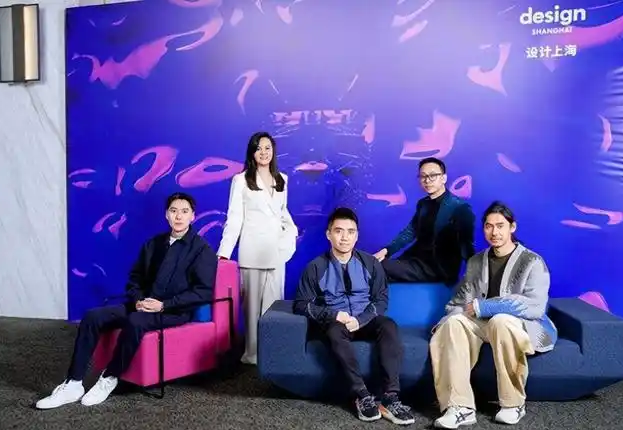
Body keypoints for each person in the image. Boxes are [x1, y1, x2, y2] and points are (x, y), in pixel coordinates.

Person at [36, 192, 218, 409]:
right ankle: (73, 383)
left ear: (193, 216)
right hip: (141, 304)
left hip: (172, 311)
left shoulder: (202, 250)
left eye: (184, 211)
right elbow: (135, 278)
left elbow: (203, 292)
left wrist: (164, 305)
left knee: (135, 321)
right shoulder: (153, 244)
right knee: (93, 316)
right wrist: (138, 300)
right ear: (166, 215)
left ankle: (109, 378)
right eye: (174, 211)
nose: (179, 216)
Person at [429, 201, 557, 428]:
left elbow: (535, 306)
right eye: (489, 226)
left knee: (501, 320)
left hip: (523, 326)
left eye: (500, 226)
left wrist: (485, 307)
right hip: (483, 325)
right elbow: (460, 302)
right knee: (454, 322)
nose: (494, 232)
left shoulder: (533, 261)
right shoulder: (476, 261)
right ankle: (460, 407)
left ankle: (513, 404)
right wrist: (449, 321)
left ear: (512, 227)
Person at [294, 207, 415, 425]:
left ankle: (390, 397)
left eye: (350, 232)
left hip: (364, 319)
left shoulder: (370, 263)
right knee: (333, 331)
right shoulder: (315, 267)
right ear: (328, 234)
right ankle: (362, 395)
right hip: (336, 323)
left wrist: (361, 320)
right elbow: (301, 305)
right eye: (338, 231)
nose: (344, 237)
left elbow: (381, 300)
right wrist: (334, 315)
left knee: (388, 325)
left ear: (357, 235)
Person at [217, 131, 298, 365]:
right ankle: (251, 354)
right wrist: (224, 253)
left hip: (276, 251)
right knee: (251, 308)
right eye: (258, 148)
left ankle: (271, 351)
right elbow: (234, 219)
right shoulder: (241, 180)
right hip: (252, 251)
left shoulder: (282, 179)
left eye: (267, 148)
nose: (263, 152)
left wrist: (291, 231)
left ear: (273, 151)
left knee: (274, 304)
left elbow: (282, 212)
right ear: (252, 152)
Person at [373, 157, 475, 285]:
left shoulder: (459, 208)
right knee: (374, 266)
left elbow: (466, 245)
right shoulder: (423, 204)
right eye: (423, 176)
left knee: (380, 268)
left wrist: (473, 276)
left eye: (433, 175)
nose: (427, 180)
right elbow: (410, 232)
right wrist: (387, 250)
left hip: (437, 267)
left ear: (443, 178)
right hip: (416, 259)